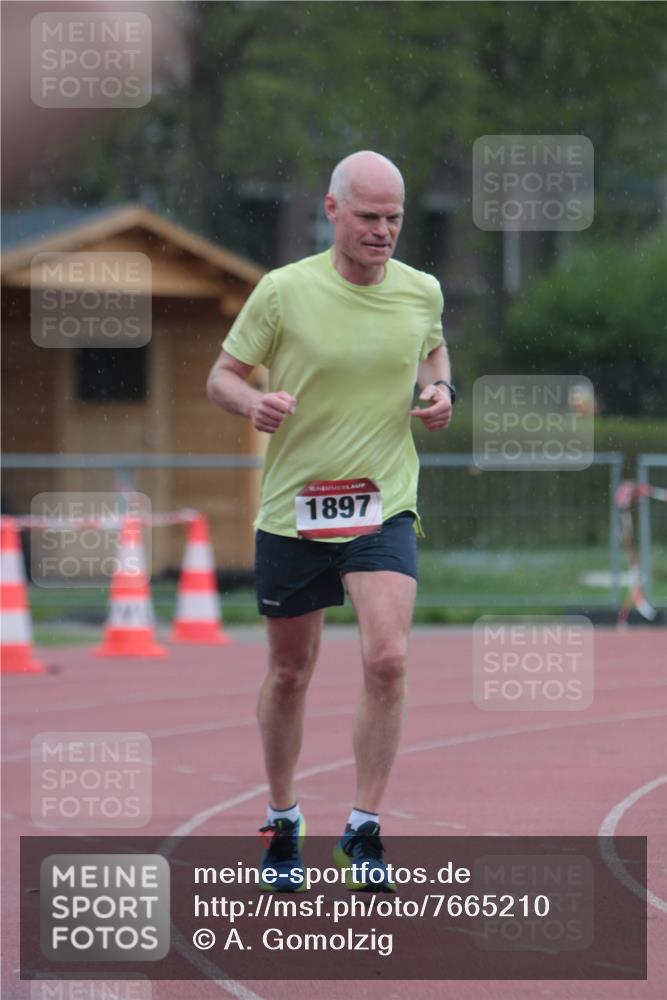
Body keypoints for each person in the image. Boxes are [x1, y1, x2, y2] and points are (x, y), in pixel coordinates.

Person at [206, 150, 454, 892]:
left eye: (394, 218)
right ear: (332, 210)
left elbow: (433, 351)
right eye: (370, 216)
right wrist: (252, 404)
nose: (383, 231)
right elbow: (221, 376)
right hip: (294, 510)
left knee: (388, 658)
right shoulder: (283, 292)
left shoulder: (421, 291)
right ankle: (283, 818)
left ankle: (363, 829)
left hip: (382, 503)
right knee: (289, 673)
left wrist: (440, 391)